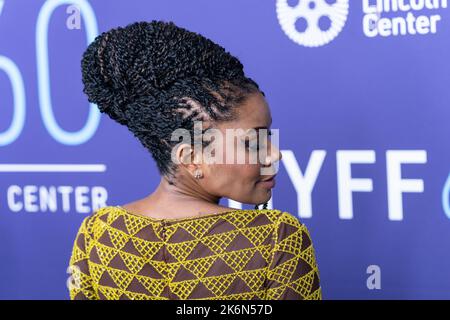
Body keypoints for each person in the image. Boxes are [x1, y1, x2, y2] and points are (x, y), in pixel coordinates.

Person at [68, 20, 321, 300]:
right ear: (191, 157)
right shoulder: (276, 238)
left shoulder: (98, 233)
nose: (275, 153)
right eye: (252, 141)